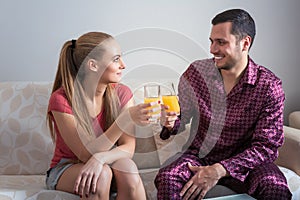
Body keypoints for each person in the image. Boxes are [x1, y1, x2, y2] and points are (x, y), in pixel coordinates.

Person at [155, 8, 292, 200]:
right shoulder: (196, 73)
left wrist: (221, 169)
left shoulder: (269, 87)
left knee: (274, 186)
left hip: (247, 162)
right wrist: (170, 123)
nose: (212, 49)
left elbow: (266, 146)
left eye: (221, 42)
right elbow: (181, 118)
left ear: (245, 43)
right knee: (168, 177)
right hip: (200, 156)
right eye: (211, 41)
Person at [46, 31, 151, 199]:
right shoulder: (61, 100)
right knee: (101, 175)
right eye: (116, 59)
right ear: (93, 65)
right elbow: (86, 154)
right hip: (67, 168)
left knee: (129, 170)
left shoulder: (122, 93)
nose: (123, 65)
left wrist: (101, 158)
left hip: (107, 161)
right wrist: (124, 120)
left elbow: (128, 149)